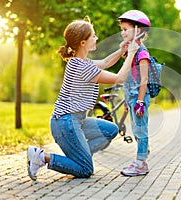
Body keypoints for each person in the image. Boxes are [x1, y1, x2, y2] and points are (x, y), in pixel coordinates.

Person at [27, 17, 139, 181]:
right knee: (86, 169)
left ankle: (80, 156)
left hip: (76, 120)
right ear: (82, 43)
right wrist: (132, 53)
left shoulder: (81, 62)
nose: (97, 38)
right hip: (66, 123)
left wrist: (122, 49)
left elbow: (106, 62)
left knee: (111, 130)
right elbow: (119, 78)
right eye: (93, 36)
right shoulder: (82, 67)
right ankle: (41, 157)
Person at [118, 10, 152, 176]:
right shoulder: (130, 51)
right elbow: (127, 78)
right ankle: (142, 157)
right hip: (131, 98)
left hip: (139, 98)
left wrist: (140, 101)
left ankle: (141, 162)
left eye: (126, 29)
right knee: (136, 130)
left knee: (140, 130)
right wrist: (127, 101)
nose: (122, 32)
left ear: (137, 30)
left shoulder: (142, 53)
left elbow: (143, 80)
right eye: (122, 29)